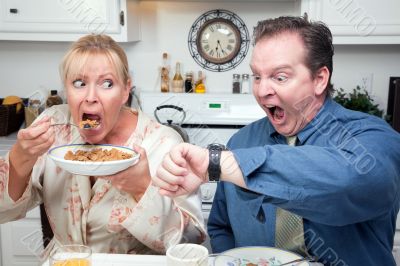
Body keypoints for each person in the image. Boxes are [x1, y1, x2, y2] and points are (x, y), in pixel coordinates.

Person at [153, 16, 400, 265]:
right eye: (257, 77)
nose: (262, 91)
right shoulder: (241, 142)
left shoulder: (372, 138)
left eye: (280, 77)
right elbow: (221, 226)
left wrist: (219, 164)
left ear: (319, 79)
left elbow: (352, 180)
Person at [0, 34, 205, 258]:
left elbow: (191, 244)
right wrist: (20, 159)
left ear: (126, 90)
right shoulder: (54, 127)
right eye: (79, 83)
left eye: (107, 84)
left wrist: (142, 188)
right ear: (66, 89)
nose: (90, 97)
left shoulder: (163, 143)